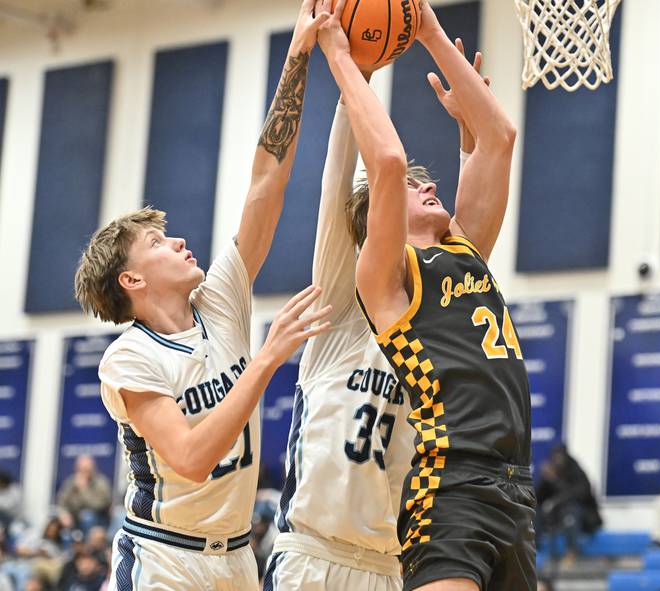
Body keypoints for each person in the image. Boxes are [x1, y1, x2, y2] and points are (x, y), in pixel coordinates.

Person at [72, 1, 333, 589]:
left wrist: (299, 53)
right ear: (131, 281)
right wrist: (266, 360)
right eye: (159, 243)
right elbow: (189, 460)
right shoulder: (130, 358)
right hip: (164, 559)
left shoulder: (219, 300)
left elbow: (268, 176)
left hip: (238, 557)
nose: (180, 240)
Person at [317, 2, 537, 589]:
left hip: (516, 488)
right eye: (418, 188)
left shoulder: (464, 247)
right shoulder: (388, 277)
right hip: (452, 484)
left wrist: (429, 28)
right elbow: (386, 163)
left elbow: (500, 136)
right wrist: (341, 56)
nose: (430, 184)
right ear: (381, 221)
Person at [262, 37, 486, 591]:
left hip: (391, 567)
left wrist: (470, 133)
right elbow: (335, 186)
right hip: (311, 557)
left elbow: (471, 239)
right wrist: (351, 76)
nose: (428, 189)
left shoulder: (431, 314)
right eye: (411, 187)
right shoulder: (338, 318)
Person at [535, 444, 602, 566]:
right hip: (556, 515)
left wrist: (556, 481)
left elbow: (581, 494)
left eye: (560, 457)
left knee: (571, 512)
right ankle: (534, 549)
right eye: (555, 458)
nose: (557, 461)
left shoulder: (575, 470)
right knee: (535, 512)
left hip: (582, 516)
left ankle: (572, 551)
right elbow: (538, 498)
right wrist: (545, 480)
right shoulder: (550, 471)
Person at [55, 456, 111, 532]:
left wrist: (83, 490)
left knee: (87, 516)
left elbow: (100, 506)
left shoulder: (100, 483)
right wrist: (63, 514)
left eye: (87, 470)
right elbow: (61, 502)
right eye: (81, 469)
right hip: (74, 517)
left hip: (98, 519)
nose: (83, 473)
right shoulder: (71, 482)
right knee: (55, 519)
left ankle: (88, 543)